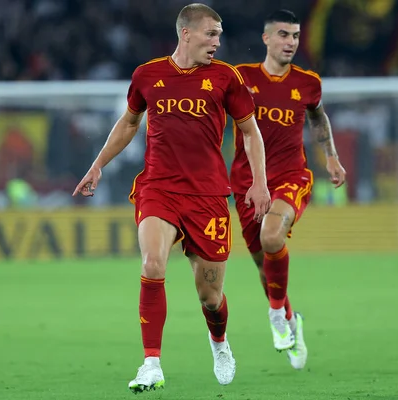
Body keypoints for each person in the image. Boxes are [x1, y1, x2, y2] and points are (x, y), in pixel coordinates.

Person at [73, 3, 271, 392]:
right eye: (211, 34)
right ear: (186, 33)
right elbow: (129, 122)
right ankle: (151, 363)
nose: (217, 42)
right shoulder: (147, 75)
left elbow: (250, 132)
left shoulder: (225, 78)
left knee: (210, 296)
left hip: (208, 196)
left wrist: (260, 182)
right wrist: (98, 165)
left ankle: (219, 343)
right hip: (158, 188)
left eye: (219, 35)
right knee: (152, 263)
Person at [231, 9, 346, 369]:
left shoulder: (308, 82)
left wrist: (331, 157)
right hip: (246, 183)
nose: (291, 42)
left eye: (295, 36)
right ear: (266, 39)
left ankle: (277, 316)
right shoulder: (240, 78)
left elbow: (317, 115)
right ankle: (291, 320)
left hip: (291, 177)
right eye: (283, 35)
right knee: (265, 269)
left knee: (271, 237)